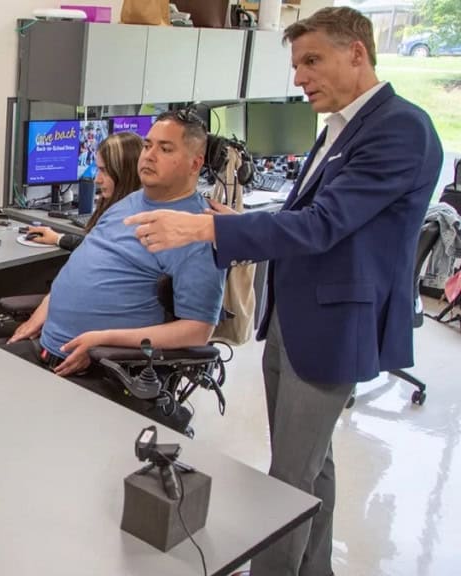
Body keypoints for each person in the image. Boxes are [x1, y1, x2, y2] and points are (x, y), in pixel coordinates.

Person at [123, 8, 443, 576]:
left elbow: (322, 225)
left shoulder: (400, 128)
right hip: (295, 318)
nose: (299, 77)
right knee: (311, 469)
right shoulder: (341, 127)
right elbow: (308, 219)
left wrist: (206, 227)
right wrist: (233, 223)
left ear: (358, 54)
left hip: (332, 327)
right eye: (297, 63)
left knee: (288, 481)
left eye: (311, 61)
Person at [4, 113, 225, 379]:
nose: (150, 156)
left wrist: (104, 342)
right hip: (45, 345)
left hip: (100, 365)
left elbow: (198, 331)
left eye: (165, 149)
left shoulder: (197, 230)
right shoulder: (129, 202)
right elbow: (90, 267)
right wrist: (47, 306)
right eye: (147, 145)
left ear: (195, 164)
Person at [27, 132, 143, 250]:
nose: (97, 180)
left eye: (104, 170)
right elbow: (97, 246)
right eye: (98, 170)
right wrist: (58, 238)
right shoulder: (115, 211)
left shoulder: (135, 225)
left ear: (125, 173)